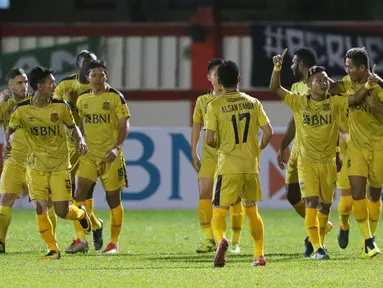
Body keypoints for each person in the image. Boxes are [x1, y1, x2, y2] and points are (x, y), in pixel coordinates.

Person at [269, 48, 378, 259]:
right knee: (310, 202)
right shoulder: (299, 101)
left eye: (326, 79)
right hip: (307, 162)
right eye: (319, 79)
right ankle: (318, 248)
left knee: (325, 205)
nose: (324, 82)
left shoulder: (335, 103)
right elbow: (275, 87)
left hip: (328, 163)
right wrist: (277, 67)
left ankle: (317, 241)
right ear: (309, 85)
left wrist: (368, 85)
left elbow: (355, 98)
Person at [5, 66, 91, 259]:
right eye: (51, 82)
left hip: (59, 166)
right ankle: (53, 249)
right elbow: (10, 129)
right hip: (35, 166)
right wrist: (7, 145)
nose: (54, 86)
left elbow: (73, 127)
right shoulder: (22, 110)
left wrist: (81, 140)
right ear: (39, 86)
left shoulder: (61, 107)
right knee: (39, 207)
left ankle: (81, 214)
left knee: (62, 211)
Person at [205, 60, 273, 267]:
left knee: (219, 210)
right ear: (238, 79)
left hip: (228, 166)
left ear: (219, 81)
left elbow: (209, 139)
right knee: (252, 211)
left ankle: (221, 240)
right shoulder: (253, 102)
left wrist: (221, 145)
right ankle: (259, 256)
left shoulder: (214, 105)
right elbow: (269, 132)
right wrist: (257, 149)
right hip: (250, 167)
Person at [276, 48, 332, 256]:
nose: (291, 65)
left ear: (301, 64)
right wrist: (283, 145)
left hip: (317, 152)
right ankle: (319, 228)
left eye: (293, 62)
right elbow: (294, 120)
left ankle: (317, 239)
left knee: (315, 199)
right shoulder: (295, 87)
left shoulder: (321, 86)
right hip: (298, 148)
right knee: (292, 194)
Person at [330, 47, 383, 256]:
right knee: (354, 196)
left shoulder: (378, 88)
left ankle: (369, 238)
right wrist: (319, 79)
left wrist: (376, 108)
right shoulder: (346, 84)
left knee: (374, 196)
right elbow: (332, 88)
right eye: (345, 66)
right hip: (355, 148)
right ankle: (369, 241)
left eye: (350, 67)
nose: (347, 70)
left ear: (362, 68)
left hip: (379, 146)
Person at [75, 60, 130, 254]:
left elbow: (124, 125)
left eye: (101, 75)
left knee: (112, 198)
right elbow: (81, 125)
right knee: (79, 194)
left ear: (106, 76)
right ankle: (81, 239)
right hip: (89, 155)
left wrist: (117, 147)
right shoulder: (82, 100)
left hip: (110, 155)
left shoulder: (116, 97)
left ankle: (113, 243)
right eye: (94, 75)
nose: (98, 79)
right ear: (88, 78)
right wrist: (79, 141)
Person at [192, 58, 244, 254]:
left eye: (222, 75)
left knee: (235, 198)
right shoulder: (202, 101)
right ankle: (209, 239)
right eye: (216, 75)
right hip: (210, 155)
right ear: (209, 78)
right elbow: (197, 126)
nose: (219, 78)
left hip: (231, 155)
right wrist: (193, 151)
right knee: (204, 192)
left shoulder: (237, 100)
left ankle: (236, 241)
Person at [54, 50, 104, 253]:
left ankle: (80, 239)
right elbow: (53, 108)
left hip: (91, 147)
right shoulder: (66, 84)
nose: (89, 68)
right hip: (67, 147)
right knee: (70, 197)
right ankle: (96, 225)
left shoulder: (101, 88)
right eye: (86, 64)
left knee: (80, 193)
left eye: (92, 64)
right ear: (78, 66)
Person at [0, 69, 54, 253]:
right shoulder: (5, 103)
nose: (24, 86)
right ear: (10, 86)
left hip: (35, 162)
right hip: (14, 161)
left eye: (25, 82)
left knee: (44, 204)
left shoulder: (36, 102)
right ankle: (0, 242)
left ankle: (51, 244)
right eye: (19, 83)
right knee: (5, 199)